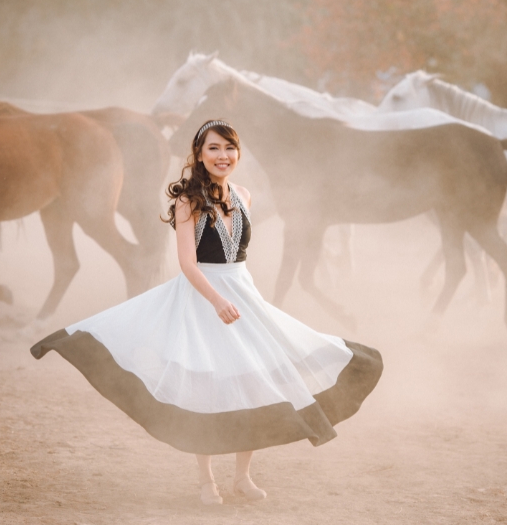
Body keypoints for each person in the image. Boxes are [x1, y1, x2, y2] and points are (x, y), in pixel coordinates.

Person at [32, 119, 383, 505]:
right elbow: (187, 262)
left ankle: (243, 478)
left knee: (253, 381)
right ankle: (206, 481)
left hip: (243, 296)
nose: (223, 156)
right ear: (199, 154)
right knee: (207, 387)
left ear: (238, 154)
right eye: (213, 148)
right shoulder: (188, 200)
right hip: (202, 298)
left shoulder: (244, 195)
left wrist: (240, 297)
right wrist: (216, 300)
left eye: (229, 148)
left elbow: (240, 258)